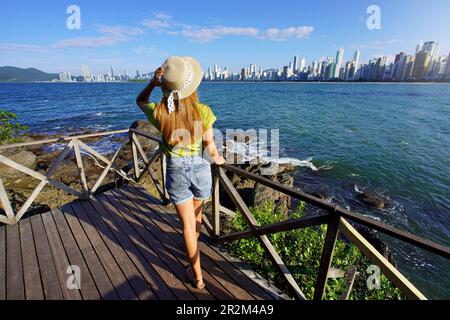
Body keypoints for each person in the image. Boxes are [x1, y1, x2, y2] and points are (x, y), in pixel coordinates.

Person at [136, 56, 225, 290]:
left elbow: (140, 100)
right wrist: (219, 159)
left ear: (166, 86)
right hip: (201, 168)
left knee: (187, 224)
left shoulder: (161, 114)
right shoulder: (204, 111)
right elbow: (211, 148)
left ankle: (197, 277)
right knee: (196, 218)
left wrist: (152, 84)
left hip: (176, 170)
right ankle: (194, 255)